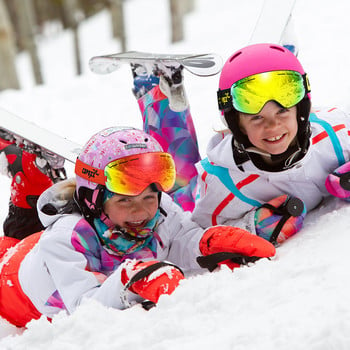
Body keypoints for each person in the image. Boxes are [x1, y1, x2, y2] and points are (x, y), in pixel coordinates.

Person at [0, 126, 276, 328]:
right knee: (10, 243)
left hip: (41, 251)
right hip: (11, 282)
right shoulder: (65, 241)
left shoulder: (160, 210)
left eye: (148, 197)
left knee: (24, 229)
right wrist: (128, 280)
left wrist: (208, 243)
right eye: (124, 201)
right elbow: (84, 310)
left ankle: (35, 172)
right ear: (94, 200)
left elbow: (181, 239)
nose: (142, 211)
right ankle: (25, 168)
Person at [132, 43, 350, 245]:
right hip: (197, 192)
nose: (273, 126)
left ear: (301, 110)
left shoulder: (336, 132)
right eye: (257, 118)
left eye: (283, 111)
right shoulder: (223, 186)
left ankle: (274, 62)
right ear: (238, 125)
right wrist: (251, 226)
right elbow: (194, 235)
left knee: (263, 84)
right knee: (178, 182)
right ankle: (156, 88)